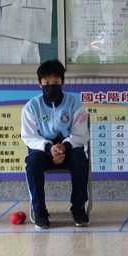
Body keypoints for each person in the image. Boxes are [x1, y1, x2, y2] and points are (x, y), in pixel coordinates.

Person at [21, 59, 89, 229]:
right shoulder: (31, 107)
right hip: (43, 150)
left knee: (80, 159)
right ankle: (40, 211)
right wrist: (48, 147)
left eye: (56, 83)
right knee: (32, 163)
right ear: (40, 84)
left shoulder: (75, 103)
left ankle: (78, 207)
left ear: (62, 82)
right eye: (47, 83)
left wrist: (64, 146)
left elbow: (81, 134)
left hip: (69, 148)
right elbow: (28, 136)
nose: (51, 86)